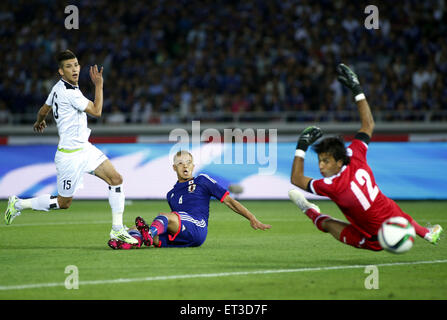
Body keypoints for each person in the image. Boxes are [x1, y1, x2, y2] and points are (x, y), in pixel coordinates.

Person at [289, 63, 443, 251]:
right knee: (393, 209)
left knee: (328, 225)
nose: (321, 166)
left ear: (339, 162)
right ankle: (427, 233)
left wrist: (301, 146)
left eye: (326, 161)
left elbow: (296, 179)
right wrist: (357, 89)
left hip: (374, 238)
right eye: (320, 160)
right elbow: (368, 124)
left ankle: (308, 209)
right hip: (393, 217)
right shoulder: (355, 153)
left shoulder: (334, 187)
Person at [4, 50, 137, 245]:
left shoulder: (57, 88)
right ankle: (18, 204)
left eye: (75, 65)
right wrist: (99, 85)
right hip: (69, 156)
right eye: (68, 66)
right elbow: (97, 111)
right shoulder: (70, 92)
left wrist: (39, 121)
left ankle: (117, 230)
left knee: (116, 179)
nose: (74, 69)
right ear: (61, 71)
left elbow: (44, 108)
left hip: (85, 149)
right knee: (63, 203)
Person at [108, 150, 271, 249]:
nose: (185, 166)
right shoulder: (171, 194)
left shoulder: (202, 180)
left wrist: (251, 217)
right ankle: (130, 242)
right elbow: (173, 223)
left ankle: (147, 234)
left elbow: (230, 201)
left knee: (163, 216)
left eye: (188, 163)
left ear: (193, 166)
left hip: (197, 227)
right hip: (182, 234)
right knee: (133, 230)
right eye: (180, 163)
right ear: (174, 168)